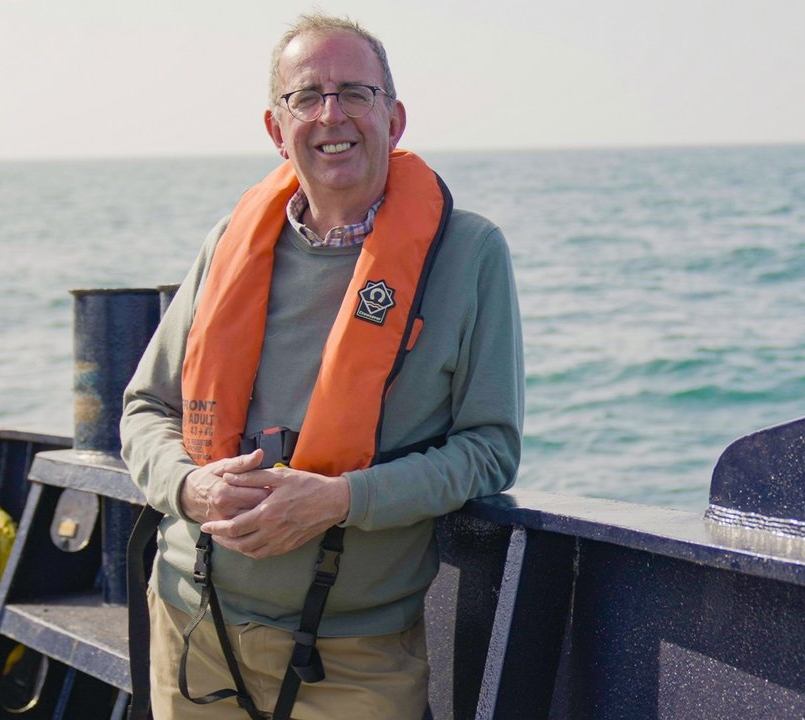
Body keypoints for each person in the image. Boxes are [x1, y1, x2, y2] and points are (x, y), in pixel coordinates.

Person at [121, 13, 523, 720]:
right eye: (305, 96)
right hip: (191, 626)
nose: (331, 115)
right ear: (277, 129)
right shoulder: (229, 241)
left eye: (354, 93)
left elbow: (490, 451)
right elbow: (145, 409)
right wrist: (189, 487)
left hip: (356, 657)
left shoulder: (470, 253)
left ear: (393, 118)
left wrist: (342, 500)